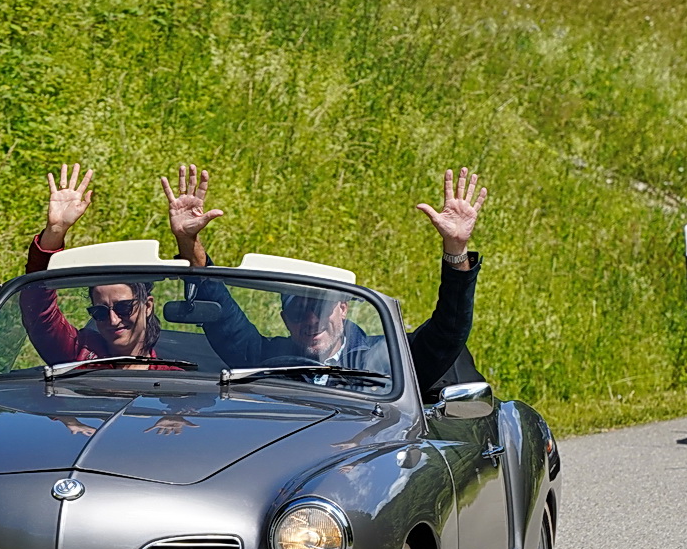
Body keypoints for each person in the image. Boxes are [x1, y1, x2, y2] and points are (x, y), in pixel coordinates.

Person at [161, 164, 488, 398]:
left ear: (343, 309)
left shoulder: (386, 359)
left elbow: (449, 330)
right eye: (299, 311)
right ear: (285, 319)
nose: (311, 320)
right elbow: (223, 316)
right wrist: (189, 244)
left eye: (320, 308)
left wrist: (456, 249)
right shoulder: (264, 357)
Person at [18, 164, 184, 370]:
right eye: (100, 312)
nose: (113, 320)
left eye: (124, 307)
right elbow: (38, 309)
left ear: (148, 305)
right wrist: (55, 230)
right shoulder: (77, 353)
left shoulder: (173, 380)